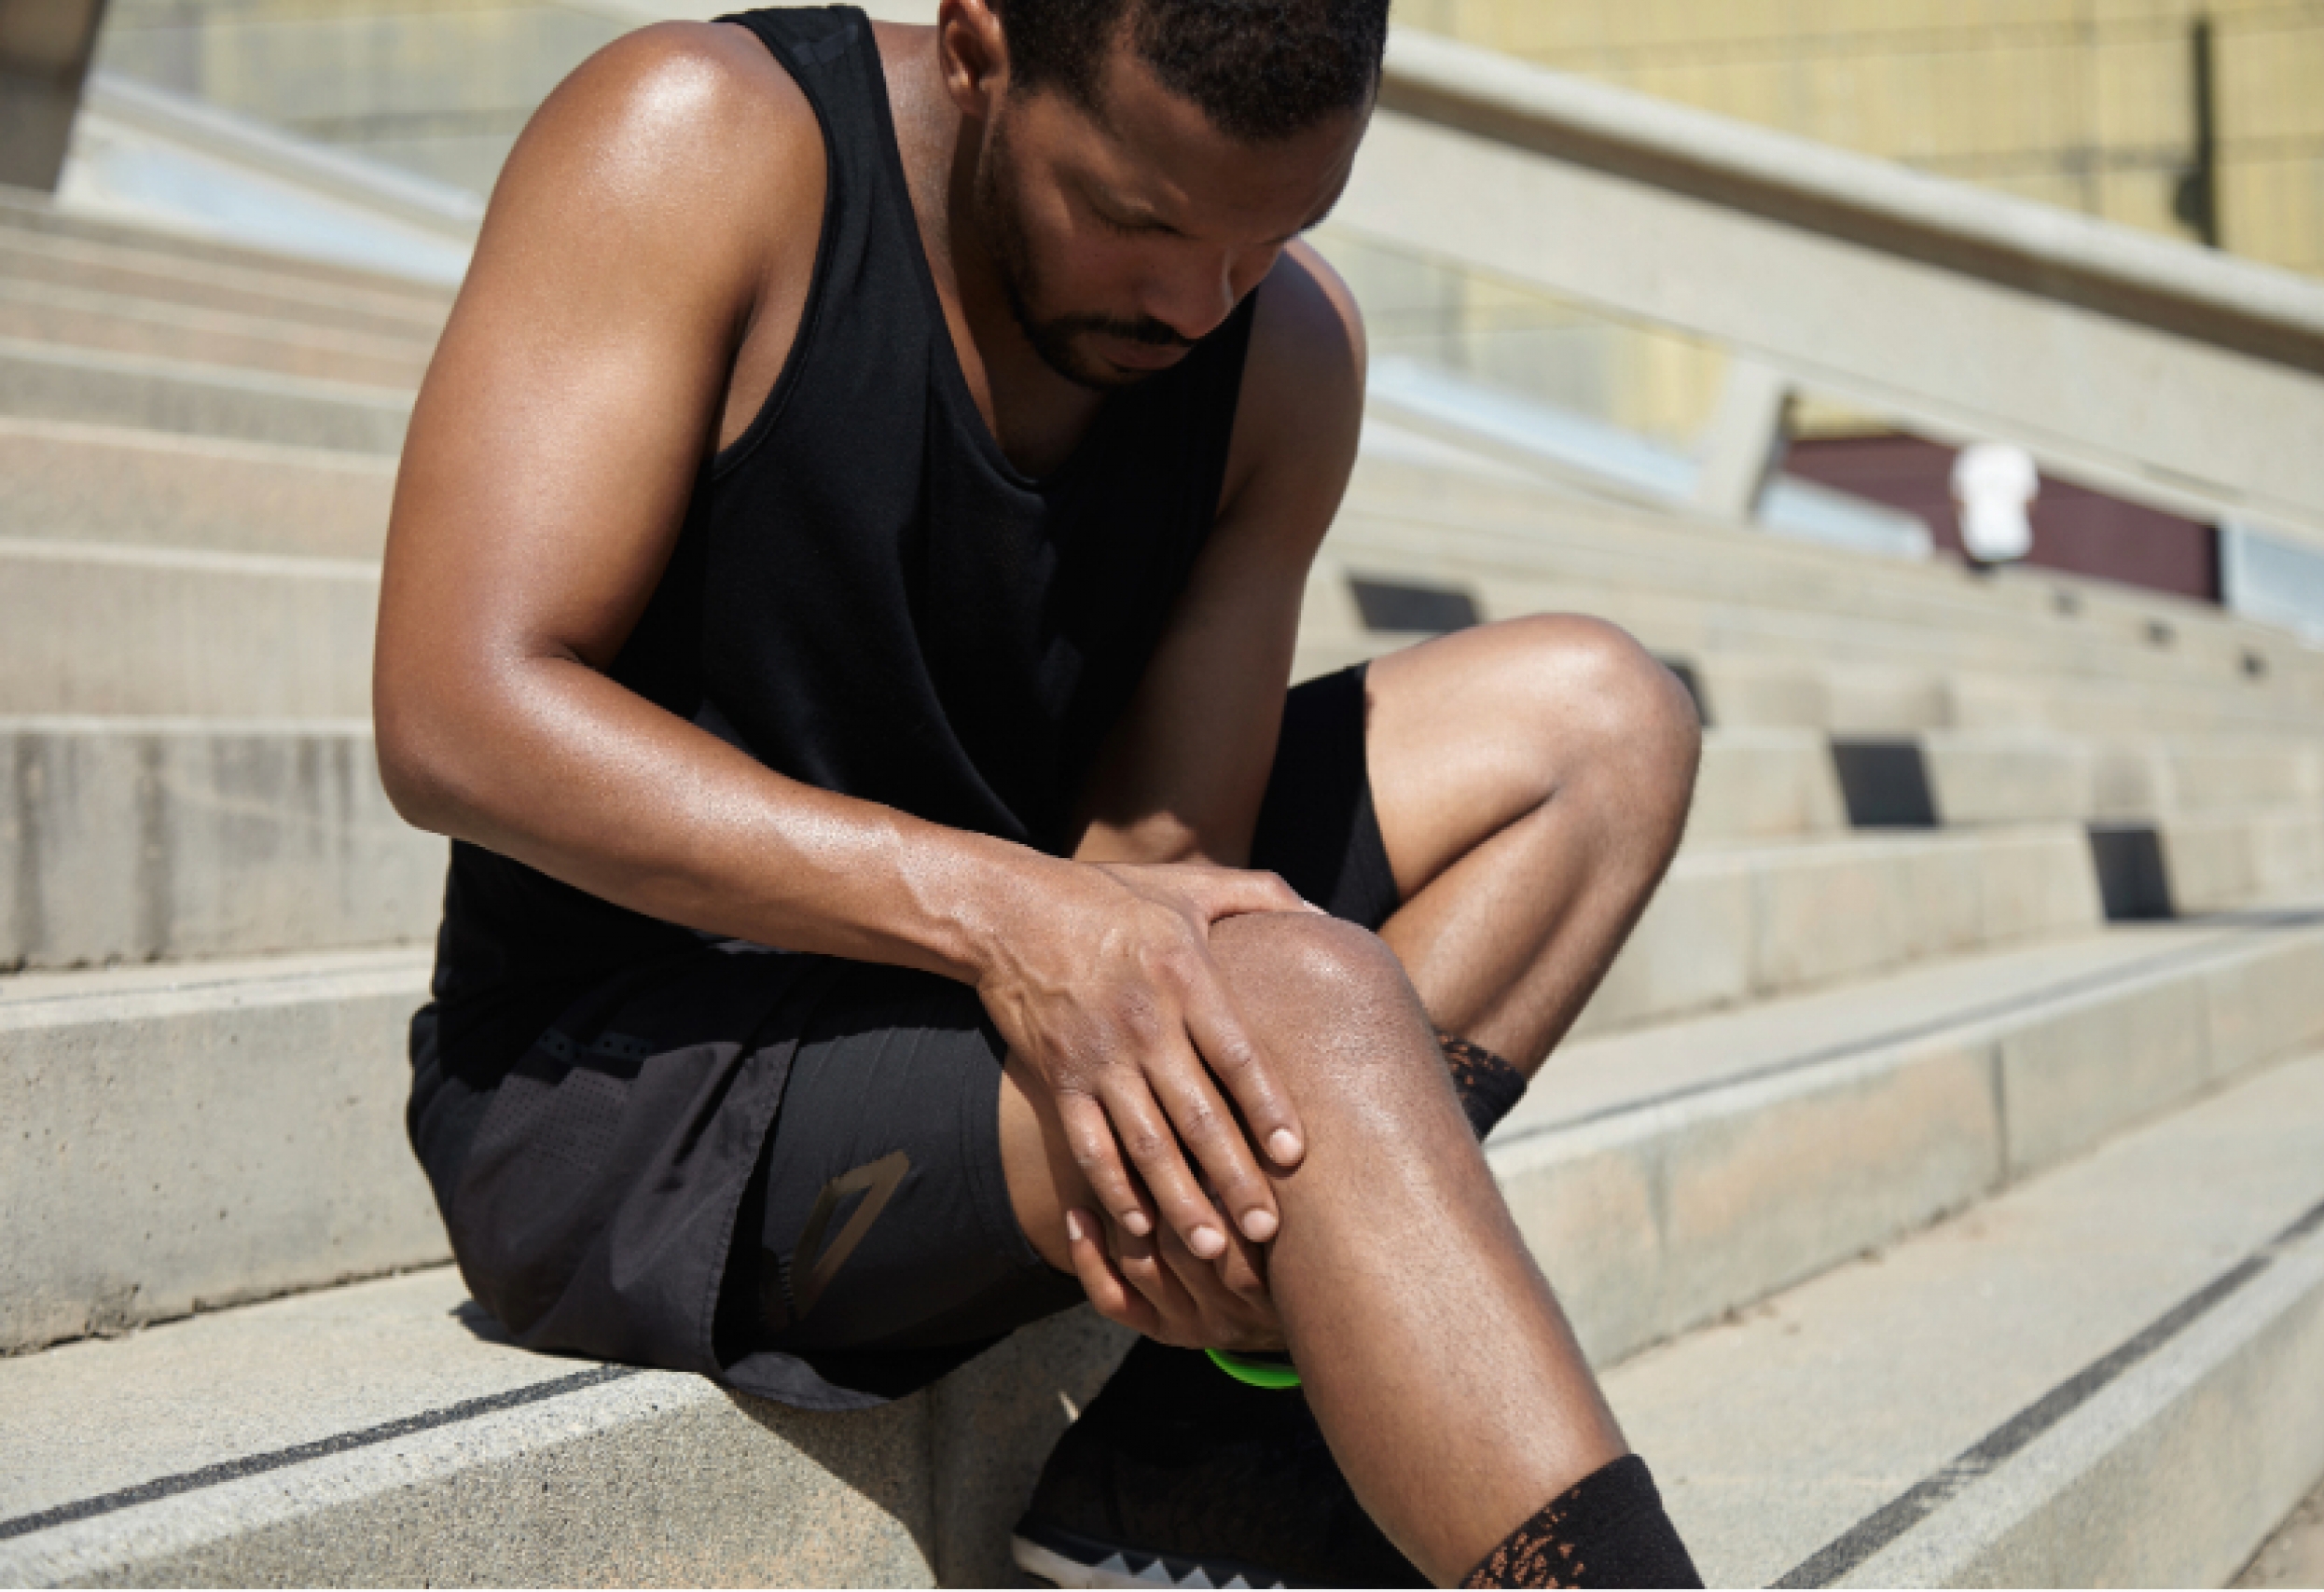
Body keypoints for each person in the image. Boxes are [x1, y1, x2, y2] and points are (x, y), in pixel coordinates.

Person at [373, 0, 1704, 1583]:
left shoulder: (1282, 351)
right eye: (1135, 219)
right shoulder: (700, 140)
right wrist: (1007, 912)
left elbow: (1157, 866)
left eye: (1272, 233)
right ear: (977, 49)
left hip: (978, 1026)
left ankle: (1206, 1452)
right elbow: (458, 713)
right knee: (1300, 1000)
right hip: (638, 1085)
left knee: (1606, 725)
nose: (1197, 301)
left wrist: (1157, 1055)